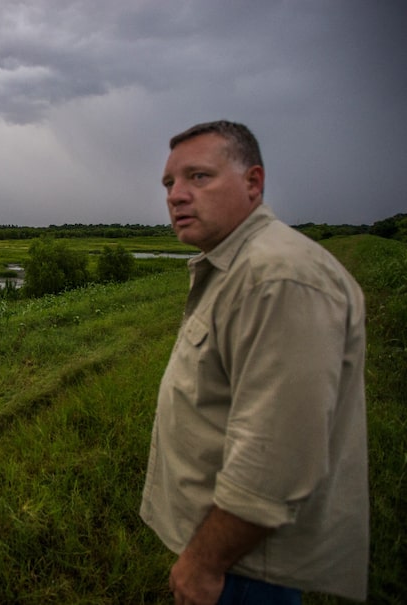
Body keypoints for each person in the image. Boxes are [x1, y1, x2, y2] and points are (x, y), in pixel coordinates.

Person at [139, 120, 368, 604]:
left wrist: (203, 563)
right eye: (169, 183)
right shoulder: (238, 267)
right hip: (236, 556)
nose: (176, 195)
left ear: (253, 182)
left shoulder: (277, 278)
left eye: (198, 177)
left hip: (243, 567)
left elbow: (277, 455)